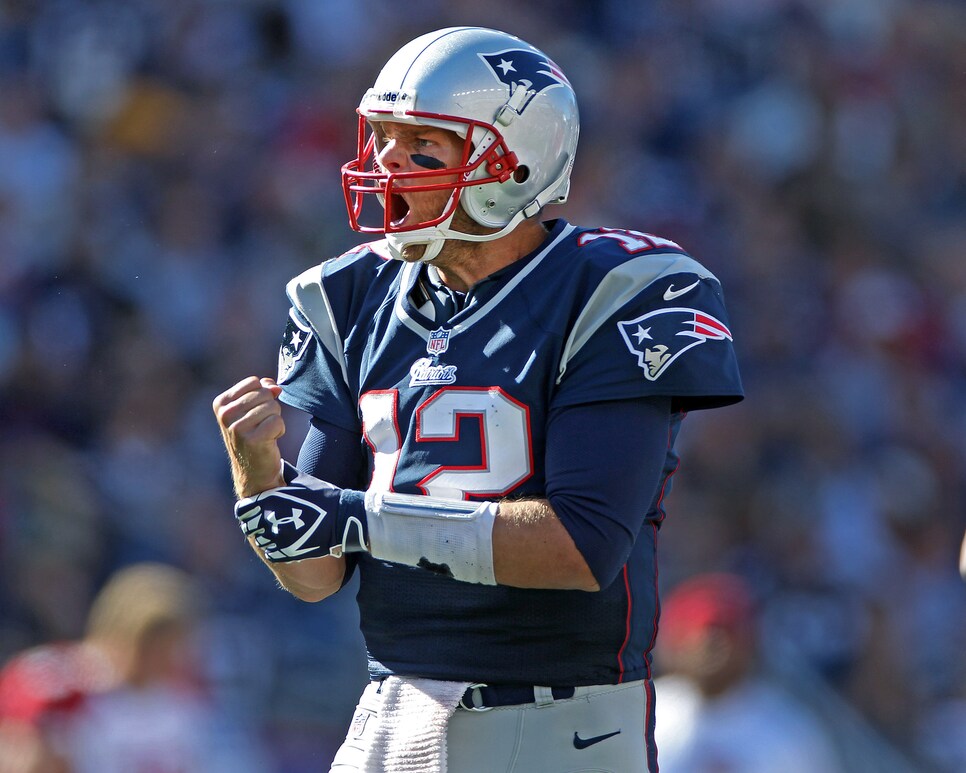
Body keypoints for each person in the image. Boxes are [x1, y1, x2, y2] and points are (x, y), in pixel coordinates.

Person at [212, 26, 743, 772]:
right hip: (390, 713)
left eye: (423, 142)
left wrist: (359, 518)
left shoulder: (616, 291)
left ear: (514, 160)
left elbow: (582, 545)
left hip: (562, 722)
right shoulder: (347, 296)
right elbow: (316, 573)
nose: (389, 163)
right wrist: (258, 473)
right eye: (383, 137)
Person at [652, 573, 843, 773]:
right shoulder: (649, 712)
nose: (713, 648)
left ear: (749, 643)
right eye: (701, 635)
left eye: (725, 635)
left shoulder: (789, 729)